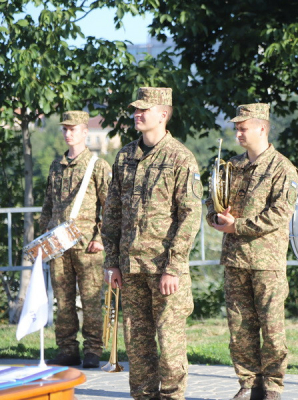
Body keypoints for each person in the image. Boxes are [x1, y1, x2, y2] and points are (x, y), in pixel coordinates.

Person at [102, 87, 202, 400]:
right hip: (130, 268)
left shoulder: (180, 157)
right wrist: (111, 262)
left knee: (170, 347)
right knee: (137, 344)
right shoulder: (125, 156)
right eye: (136, 109)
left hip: (164, 270)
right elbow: (112, 212)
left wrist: (173, 266)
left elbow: (190, 216)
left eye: (145, 109)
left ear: (163, 114)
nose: (138, 114)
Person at [206, 103, 298, 400]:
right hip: (236, 259)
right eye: (236, 127)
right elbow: (214, 202)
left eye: (243, 127)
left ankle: (272, 386)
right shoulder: (231, 165)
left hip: (266, 261)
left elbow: (280, 214)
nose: (238, 132)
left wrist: (238, 227)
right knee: (240, 328)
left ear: (262, 128)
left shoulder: (282, 167)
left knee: (271, 328)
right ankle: (248, 383)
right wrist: (216, 217)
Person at [40, 110, 111, 368]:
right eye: (65, 129)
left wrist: (101, 238)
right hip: (58, 245)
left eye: (74, 129)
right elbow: (49, 204)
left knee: (91, 298)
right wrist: (43, 236)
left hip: (87, 245)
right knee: (63, 300)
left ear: (84, 132)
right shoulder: (56, 166)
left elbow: (110, 206)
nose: (68, 133)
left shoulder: (97, 165)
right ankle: (67, 349)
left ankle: (93, 350)